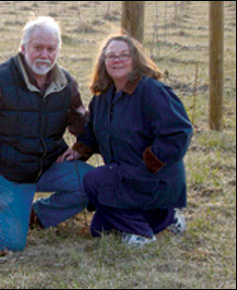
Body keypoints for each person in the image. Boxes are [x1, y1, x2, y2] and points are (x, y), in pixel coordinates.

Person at [0, 16, 93, 251]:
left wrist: (81, 148)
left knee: (96, 184)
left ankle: (36, 215)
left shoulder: (66, 82)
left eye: (51, 49)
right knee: (10, 243)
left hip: (50, 164)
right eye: (37, 47)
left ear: (58, 50)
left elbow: (81, 122)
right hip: (9, 172)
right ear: (23, 48)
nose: (45, 55)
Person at [58, 35, 193, 247]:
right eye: (111, 56)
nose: (117, 60)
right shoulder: (102, 99)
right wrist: (79, 150)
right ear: (104, 62)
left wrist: (151, 162)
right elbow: (93, 131)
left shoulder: (152, 91)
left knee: (94, 180)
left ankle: (141, 234)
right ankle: (167, 217)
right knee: (100, 228)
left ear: (135, 60)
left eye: (124, 55)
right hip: (127, 176)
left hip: (154, 176)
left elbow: (179, 132)